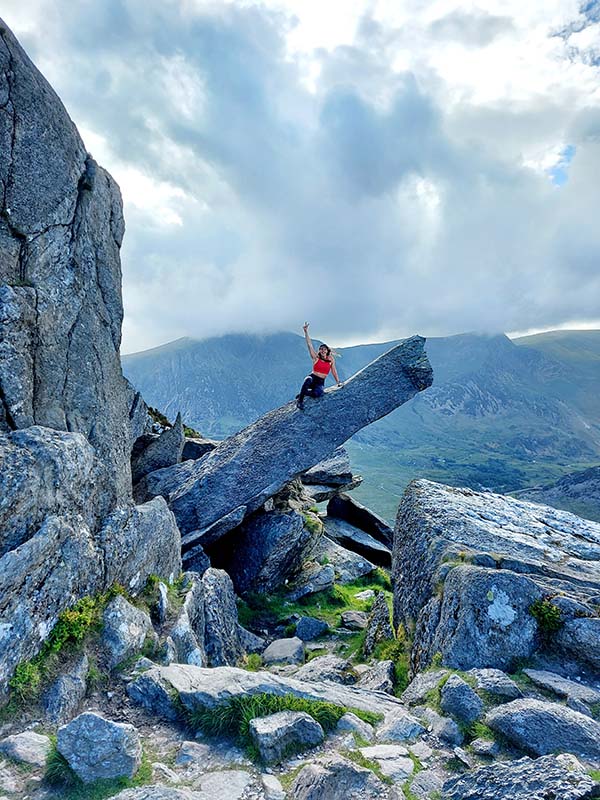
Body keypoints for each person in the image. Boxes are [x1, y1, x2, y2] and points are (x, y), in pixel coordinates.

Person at [295, 322, 342, 410]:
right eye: (321, 349)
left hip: (320, 381)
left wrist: (338, 382)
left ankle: (304, 393)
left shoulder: (330, 359)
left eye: (324, 349)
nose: (322, 351)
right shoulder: (315, 358)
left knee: (317, 394)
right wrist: (306, 332)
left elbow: (334, 371)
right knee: (307, 379)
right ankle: (300, 401)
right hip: (312, 378)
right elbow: (309, 345)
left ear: (327, 351)